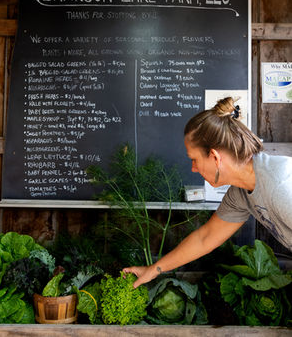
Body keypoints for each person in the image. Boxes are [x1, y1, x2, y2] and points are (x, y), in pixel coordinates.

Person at [123, 96, 292, 288]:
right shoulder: (241, 193)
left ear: (214, 157)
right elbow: (205, 238)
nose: (193, 168)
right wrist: (153, 270)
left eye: (194, 159)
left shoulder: (280, 186)